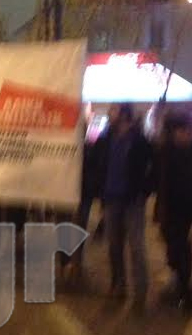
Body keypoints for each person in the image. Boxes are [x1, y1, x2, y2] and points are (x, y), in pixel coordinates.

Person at [92, 103, 152, 311]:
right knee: (114, 245)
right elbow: (97, 162)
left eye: (114, 110)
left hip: (133, 201)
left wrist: (144, 191)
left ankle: (140, 292)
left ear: (125, 115)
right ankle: (118, 285)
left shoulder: (139, 140)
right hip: (111, 199)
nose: (110, 113)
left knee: (136, 246)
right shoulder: (106, 138)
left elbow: (152, 167)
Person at [155, 112, 192, 308]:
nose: (186, 134)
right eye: (182, 130)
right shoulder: (166, 152)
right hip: (170, 209)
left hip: (182, 210)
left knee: (180, 249)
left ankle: (184, 291)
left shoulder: (184, 152)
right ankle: (180, 285)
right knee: (173, 249)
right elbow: (162, 182)